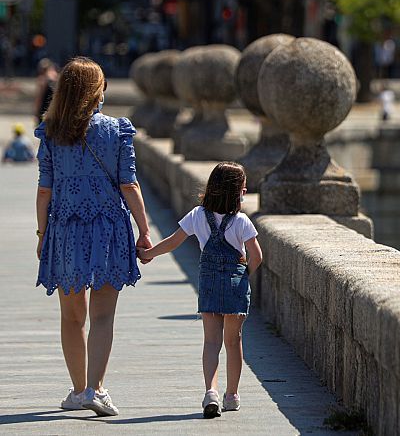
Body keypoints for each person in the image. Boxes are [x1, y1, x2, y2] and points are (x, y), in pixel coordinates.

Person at [35, 57, 151, 417]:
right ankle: (96, 389)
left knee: (72, 317)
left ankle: (77, 389)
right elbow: (128, 184)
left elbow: (44, 190)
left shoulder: (51, 133)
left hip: (66, 229)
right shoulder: (117, 130)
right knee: (103, 315)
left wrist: (43, 234)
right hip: (108, 229)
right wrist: (144, 230)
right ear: (96, 92)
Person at [137, 162, 263, 419]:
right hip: (234, 283)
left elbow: (173, 242)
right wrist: (244, 275)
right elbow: (257, 256)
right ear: (238, 192)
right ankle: (231, 395)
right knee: (233, 341)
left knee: (211, 342)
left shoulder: (197, 215)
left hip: (208, 283)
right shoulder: (241, 221)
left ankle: (211, 392)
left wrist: (149, 253)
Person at [34, 58, 58, 124]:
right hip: (54, 109)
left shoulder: (42, 80)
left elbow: (39, 97)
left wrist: (36, 112)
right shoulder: (55, 78)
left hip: (44, 109)